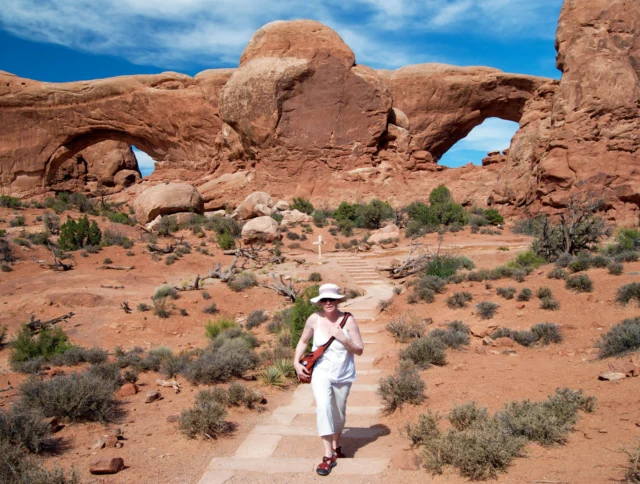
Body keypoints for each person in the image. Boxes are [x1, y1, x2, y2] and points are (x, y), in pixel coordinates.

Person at [293, 283, 365, 476]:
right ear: (320, 302)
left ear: (338, 300)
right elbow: (303, 341)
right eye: (324, 300)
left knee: (338, 413)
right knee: (323, 406)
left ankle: (336, 444)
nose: (328, 303)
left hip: (343, 374)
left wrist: (344, 339)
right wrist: (296, 363)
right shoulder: (314, 319)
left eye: (332, 299)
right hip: (321, 372)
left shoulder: (348, 320)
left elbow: (359, 349)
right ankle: (327, 454)